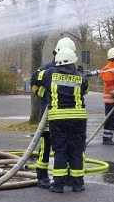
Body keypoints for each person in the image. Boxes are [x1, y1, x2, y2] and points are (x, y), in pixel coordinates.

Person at [33, 45, 89, 193]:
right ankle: (78, 184)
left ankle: (58, 185)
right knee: (76, 150)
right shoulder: (81, 76)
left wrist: (42, 92)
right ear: (72, 61)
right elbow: (85, 90)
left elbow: (35, 78)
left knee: (60, 150)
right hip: (78, 118)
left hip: (58, 118)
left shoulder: (49, 74)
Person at [28, 37, 77, 189]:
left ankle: (65, 176)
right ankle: (42, 176)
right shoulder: (46, 70)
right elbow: (33, 83)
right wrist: (45, 95)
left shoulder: (73, 69)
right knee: (46, 146)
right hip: (48, 115)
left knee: (65, 147)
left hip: (66, 117)